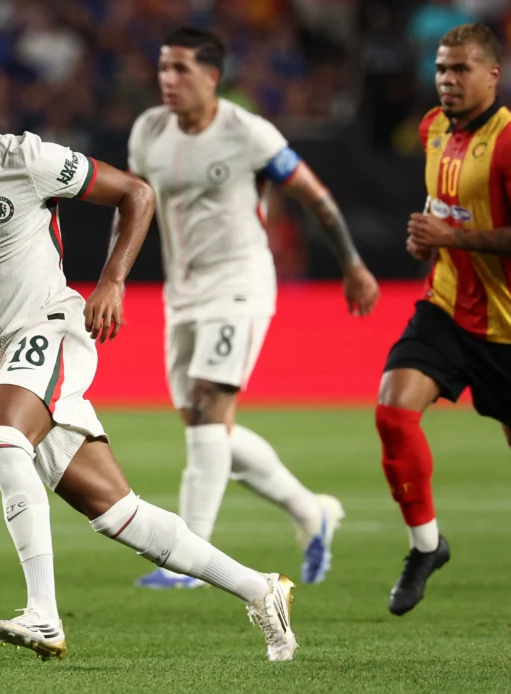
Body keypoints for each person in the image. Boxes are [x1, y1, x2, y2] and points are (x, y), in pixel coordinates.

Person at [0, 51, 298, 662]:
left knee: (2, 442)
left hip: (51, 328)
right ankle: (260, 589)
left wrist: (112, 281)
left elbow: (136, 193)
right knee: (117, 513)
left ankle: (44, 615)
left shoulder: (26, 160)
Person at [124, 27, 380, 589]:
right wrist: (116, 276)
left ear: (212, 77)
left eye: (181, 69)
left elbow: (314, 196)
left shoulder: (247, 132)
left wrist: (352, 264)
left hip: (239, 283)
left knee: (210, 407)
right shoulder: (149, 131)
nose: (168, 79)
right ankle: (312, 511)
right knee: (206, 425)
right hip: (182, 292)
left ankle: (187, 561)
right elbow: (137, 203)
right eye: (163, 68)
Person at [376, 24, 511, 618]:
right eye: (441, 68)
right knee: (393, 411)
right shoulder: (432, 129)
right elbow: (445, 206)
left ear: (493, 75)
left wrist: (452, 236)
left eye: (461, 69)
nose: (447, 79)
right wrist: (429, 240)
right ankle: (426, 546)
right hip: (444, 308)